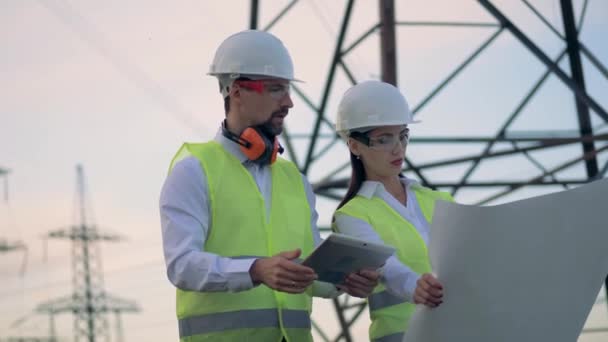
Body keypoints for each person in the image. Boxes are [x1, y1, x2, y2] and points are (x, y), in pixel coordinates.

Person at [159, 30, 379, 342]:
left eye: (287, 90)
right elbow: (182, 265)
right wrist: (255, 270)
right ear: (236, 91)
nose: (288, 102)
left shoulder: (294, 180)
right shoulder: (193, 171)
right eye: (276, 89)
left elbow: (309, 274)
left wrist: (343, 280)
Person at [332, 80, 453, 342]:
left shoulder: (440, 200)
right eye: (383, 139)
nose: (398, 148)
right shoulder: (352, 215)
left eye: (402, 135)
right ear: (354, 145)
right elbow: (386, 267)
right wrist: (415, 286)